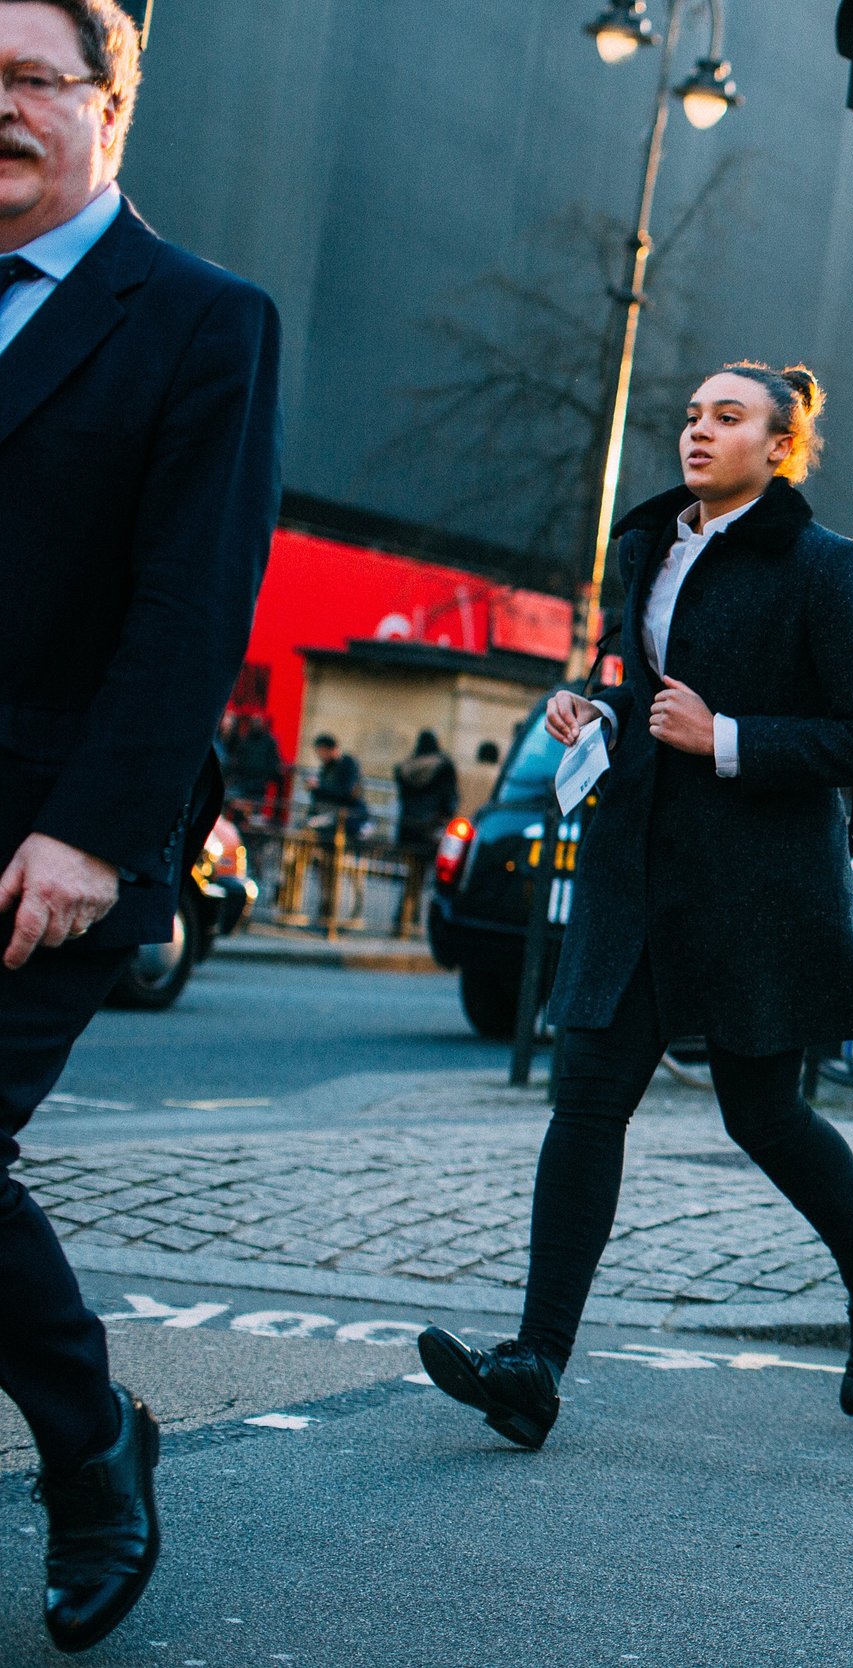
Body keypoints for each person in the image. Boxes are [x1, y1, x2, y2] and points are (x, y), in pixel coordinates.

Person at [416, 362, 853, 1448]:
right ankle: (535, 1364)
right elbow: (640, 687)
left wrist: (728, 737)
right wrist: (589, 708)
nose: (698, 432)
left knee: (763, 1114)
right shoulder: (645, 543)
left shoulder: (824, 567)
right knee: (587, 1104)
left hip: (756, 891)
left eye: (727, 418)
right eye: (692, 415)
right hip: (634, 871)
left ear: (780, 446)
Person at [0, 0, 281, 1649]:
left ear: (112, 104)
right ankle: (101, 1433)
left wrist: (98, 830)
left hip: (50, 836)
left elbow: (191, 605)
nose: (3, 108)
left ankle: (95, 1447)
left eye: (34, 78)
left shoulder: (197, 321)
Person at [392, 730, 460, 851]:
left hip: (408, 825)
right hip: (433, 826)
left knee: (410, 863)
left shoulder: (405, 768)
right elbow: (449, 796)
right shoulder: (444, 767)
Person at [305, 734, 364, 840]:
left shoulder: (347, 764)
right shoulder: (326, 767)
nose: (320, 756)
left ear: (330, 749)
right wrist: (314, 789)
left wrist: (319, 787)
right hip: (331, 813)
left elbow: (346, 792)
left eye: (321, 752)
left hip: (347, 816)